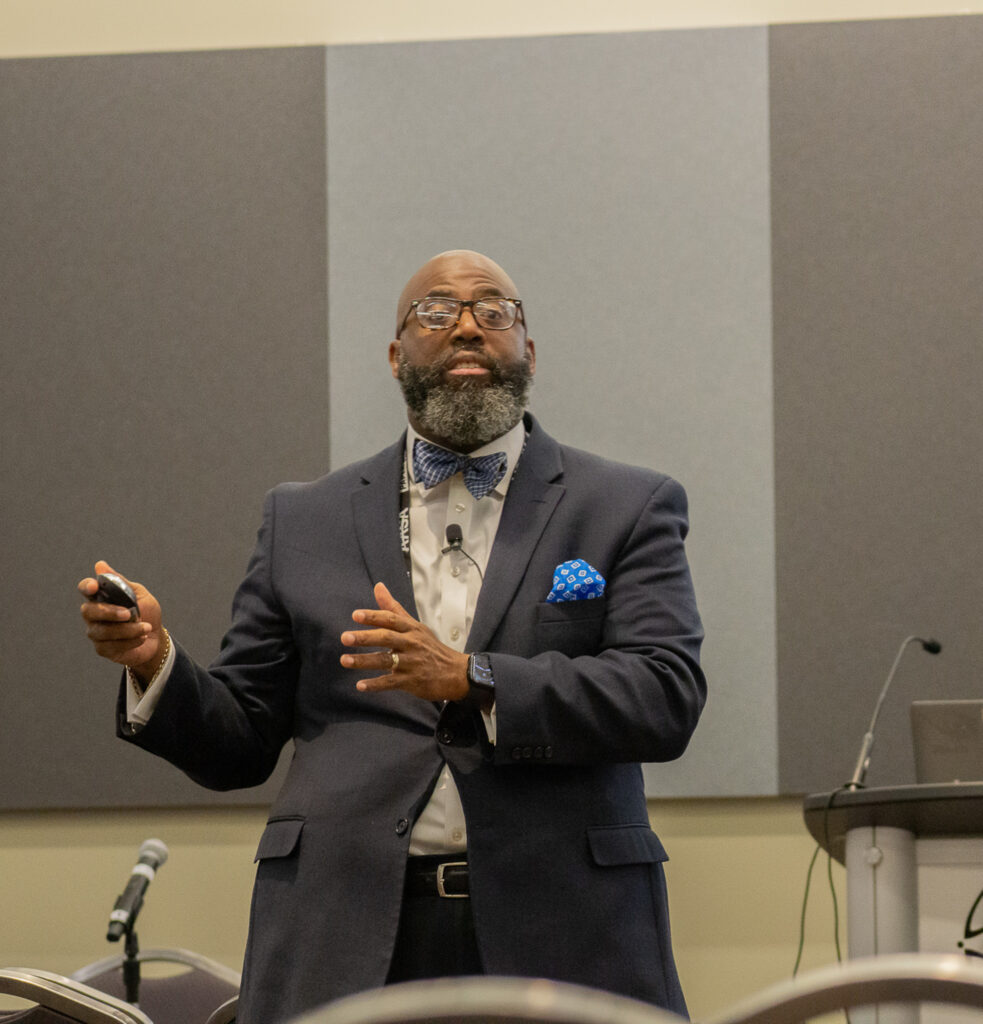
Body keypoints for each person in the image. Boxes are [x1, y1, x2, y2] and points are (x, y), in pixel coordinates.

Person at [80, 249, 707, 1024]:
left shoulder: (626, 505)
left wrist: (475, 678)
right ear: (394, 354)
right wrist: (156, 664)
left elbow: (662, 694)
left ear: (529, 351)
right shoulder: (302, 519)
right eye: (436, 312)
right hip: (343, 935)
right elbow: (238, 740)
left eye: (494, 310)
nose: (469, 327)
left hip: (563, 931)